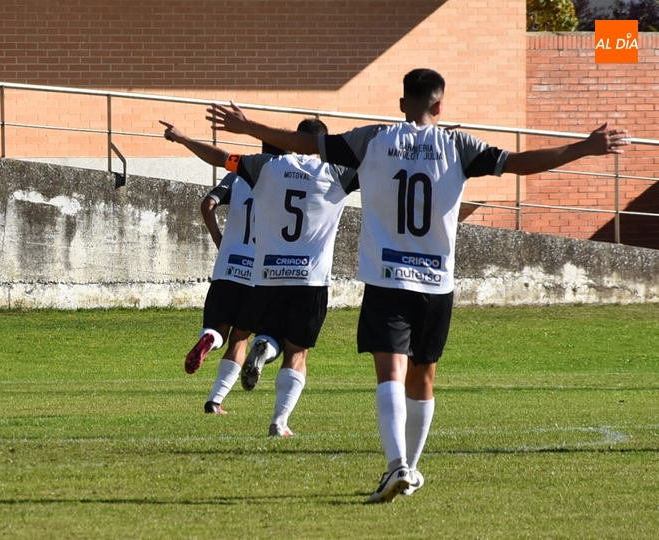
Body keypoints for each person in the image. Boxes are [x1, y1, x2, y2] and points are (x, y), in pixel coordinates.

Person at [205, 68, 630, 502]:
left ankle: (397, 466)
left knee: (390, 373)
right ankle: (410, 467)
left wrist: (248, 127)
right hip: (436, 284)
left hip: (387, 281)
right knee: (423, 379)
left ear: (403, 103)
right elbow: (520, 164)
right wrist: (586, 147)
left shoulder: (373, 140)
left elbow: (307, 145)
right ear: (440, 105)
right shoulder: (458, 146)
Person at [161, 118, 359, 437]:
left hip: (267, 276)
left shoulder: (265, 166)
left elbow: (221, 157)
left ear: (295, 138)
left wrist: (184, 138)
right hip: (310, 279)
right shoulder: (336, 173)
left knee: (264, 333)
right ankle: (279, 421)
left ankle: (264, 346)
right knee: (297, 352)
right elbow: (385, 171)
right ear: (322, 145)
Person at [185, 166, 256, 415]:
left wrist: (219, 240)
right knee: (240, 339)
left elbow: (208, 205)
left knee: (218, 329)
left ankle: (210, 340)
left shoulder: (237, 174)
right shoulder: (280, 177)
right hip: (258, 270)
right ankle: (215, 401)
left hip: (228, 265)